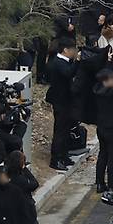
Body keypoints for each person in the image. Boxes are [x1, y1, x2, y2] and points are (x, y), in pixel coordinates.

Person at [45, 38, 78, 171]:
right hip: (60, 101)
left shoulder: (64, 62)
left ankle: (64, 155)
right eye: (72, 50)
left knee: (66, 130)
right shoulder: (58, 63)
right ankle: (56, 158)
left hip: (67, 101)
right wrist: (78, 62)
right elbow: (68, 73)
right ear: (65, 50)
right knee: (60, 130)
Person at [93, 69, 113, 193]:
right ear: (106, 81)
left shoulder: (96, 90)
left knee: (103, 155)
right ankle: (112, 185)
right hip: (112, 128)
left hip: (101, 127)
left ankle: (100, 183)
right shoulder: (112, 93)